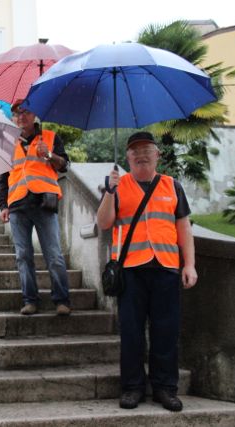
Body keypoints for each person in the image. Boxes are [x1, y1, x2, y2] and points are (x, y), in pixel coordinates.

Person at [97, 131, 198, 412]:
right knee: (131, 332)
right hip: (130, 270)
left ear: (157, 155)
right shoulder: (118, 185)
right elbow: (104, 223)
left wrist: (189, 265)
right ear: (127, 157)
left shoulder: (172, 185)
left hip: (166, 267)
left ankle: (165, 388)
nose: (141, 154)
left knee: (166, 331)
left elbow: (184, 228)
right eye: (135, 150)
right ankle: (132, 388)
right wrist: (109, 192)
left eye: (146, 149)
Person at [0, 99, 71, 316]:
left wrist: (48, 154)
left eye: (26, 112)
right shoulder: (8, 144)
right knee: (23, 255)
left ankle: (62, 299)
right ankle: (30, 299)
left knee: (54, 255)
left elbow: (65, 165)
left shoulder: (50, 138)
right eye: (17, 114)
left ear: (34, 115)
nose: (21, 117)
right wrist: (3, 204)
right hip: (18, 204)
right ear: (13, 118)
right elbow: (3, 178)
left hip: (44, 202)